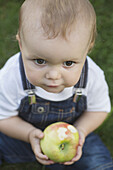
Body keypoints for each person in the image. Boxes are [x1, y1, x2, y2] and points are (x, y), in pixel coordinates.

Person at [0, 0, 113, 169]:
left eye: (68, 63)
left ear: (87, 49)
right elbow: (4, 117)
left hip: (75, 135)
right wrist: (30, 134)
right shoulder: (11, 76)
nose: (53, 75)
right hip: (22, 136)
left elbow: (99, 110)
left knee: (99, 164)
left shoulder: (92, 76)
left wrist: (81, 131)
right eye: (40, 61)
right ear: (21, 45)